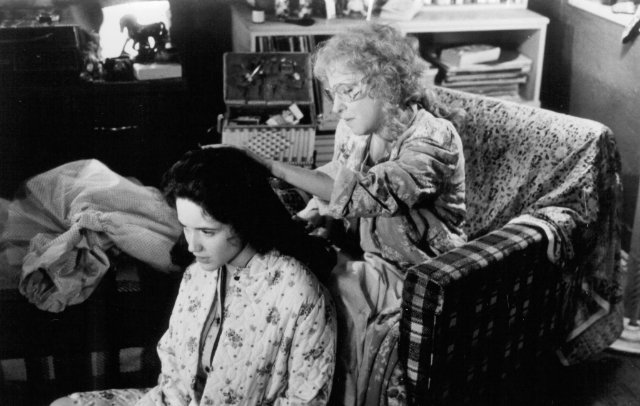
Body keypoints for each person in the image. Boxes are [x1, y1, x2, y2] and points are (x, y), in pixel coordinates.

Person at [227, 23, 467, 406]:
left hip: (419, 273)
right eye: (331, 93)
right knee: (278, 276)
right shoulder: (353, 130)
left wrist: (273, 165)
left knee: (314, 292)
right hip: (364, 257)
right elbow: (334, 178)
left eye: (347, 91)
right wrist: (315, 212)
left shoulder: (435, 138)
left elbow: (376, 192)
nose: (337, 107)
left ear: (387, 85)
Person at [50, 147, 337, 406]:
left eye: (207, 232)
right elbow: (173, 373)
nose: (192, 245)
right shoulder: (196, 274)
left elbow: (306, 399)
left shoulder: (299, 292)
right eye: (186, 227)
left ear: (243, 219)